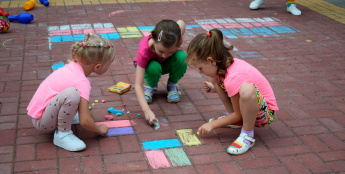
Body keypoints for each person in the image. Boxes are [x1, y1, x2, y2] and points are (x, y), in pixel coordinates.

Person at [186, 28, 279, 155]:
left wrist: (213, 125)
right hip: (249, 105)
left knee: (246, 89)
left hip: (264, 114)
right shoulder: (224, 66)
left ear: (211, 61)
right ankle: (235, 121)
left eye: (200, 68)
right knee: (215, 78)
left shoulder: (233, 77)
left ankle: (247, 136)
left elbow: (238, 113)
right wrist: (216, 89)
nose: (201, 72)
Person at [27, 33, 115, 151]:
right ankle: (62, 134)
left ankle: (66, 117)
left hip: (42, 113)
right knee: (72, 94)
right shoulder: (81, 81)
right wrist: (99, 130)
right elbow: (85, 122)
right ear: (97, 67)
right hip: (43, 122)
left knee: (73, 92)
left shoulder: (74, 67)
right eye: (108, 65)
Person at [134, 19, 187, 125]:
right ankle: (151, 85)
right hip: (150, 67)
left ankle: (172, 85)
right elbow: (138, 85)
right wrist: (147, 111)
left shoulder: (175, 38)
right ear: (154, 38)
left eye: (170, 52)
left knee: (182, 57)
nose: (164, 55)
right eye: (161, 51)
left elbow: (181, 22)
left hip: (165, 64)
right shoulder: (144, 51)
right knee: (154, 67)